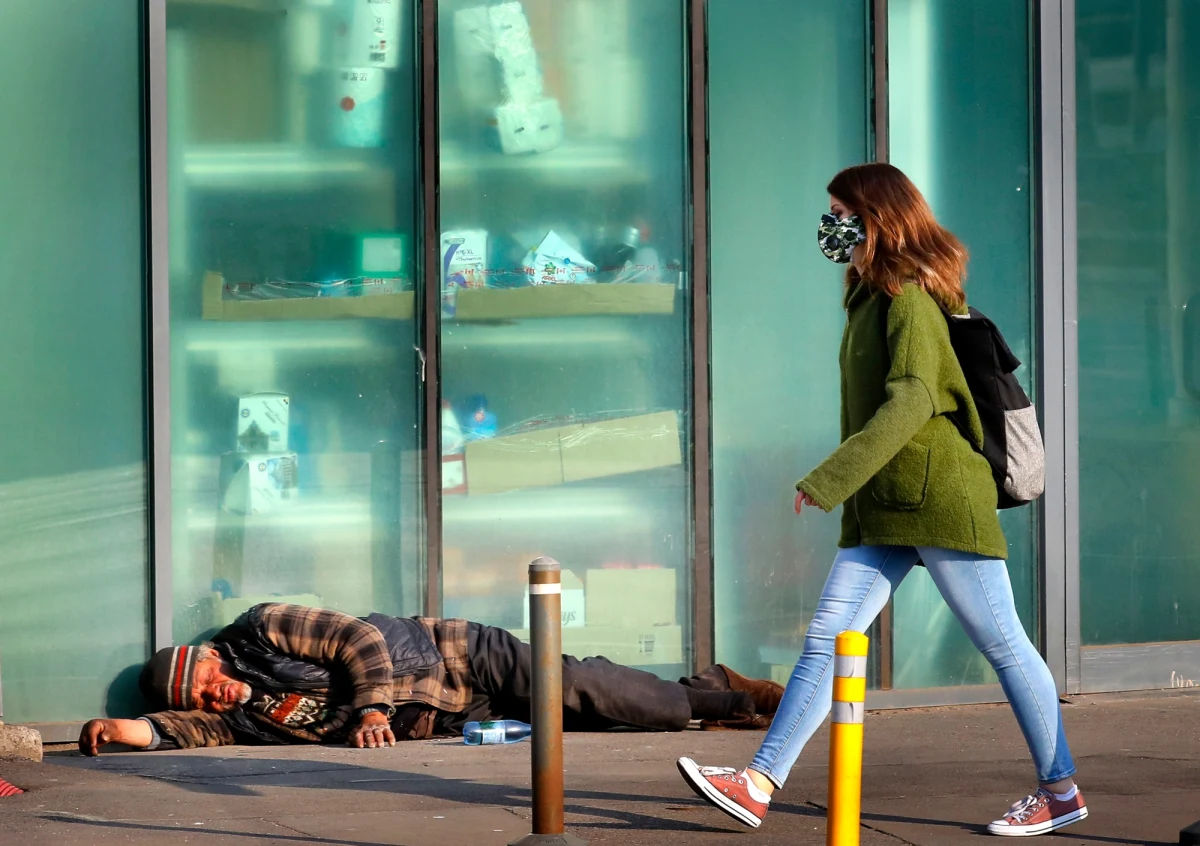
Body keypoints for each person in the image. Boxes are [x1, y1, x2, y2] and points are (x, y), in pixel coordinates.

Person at [676, 163, 1086, 838]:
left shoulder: (912, 302)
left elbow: (911, 403)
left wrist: (830, 478)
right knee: (829, 641)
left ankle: (1060, 788)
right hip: (887, 504)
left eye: (840, 210)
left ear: (877, 218)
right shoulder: (871, 296)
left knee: (1005, 644)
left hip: (938, 496)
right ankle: (756, 783)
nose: (829, 224)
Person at [78, 603, 783, 756]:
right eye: (200, 701)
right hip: (453, 717)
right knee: (604, 721)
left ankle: (734, 697)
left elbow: (357, 638)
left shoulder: (260, 629)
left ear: (206, 659)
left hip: (458, 658)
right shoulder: (233, 716)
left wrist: (373, 711)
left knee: (606, 696)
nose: (212, 696)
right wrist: (118, 730)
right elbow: (180, 732)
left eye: (203, 681)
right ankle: (713, 687)